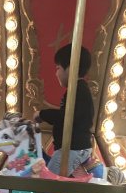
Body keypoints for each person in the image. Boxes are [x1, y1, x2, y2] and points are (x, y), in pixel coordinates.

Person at [38, 44, 94, 175]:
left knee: (45, 180)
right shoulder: (78, 90)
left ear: (70, 67)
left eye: (58, 68)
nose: (56, 73)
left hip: (73, 149)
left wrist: (42, 114)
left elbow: (66, 117)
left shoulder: (78, 91)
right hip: (72, 148)